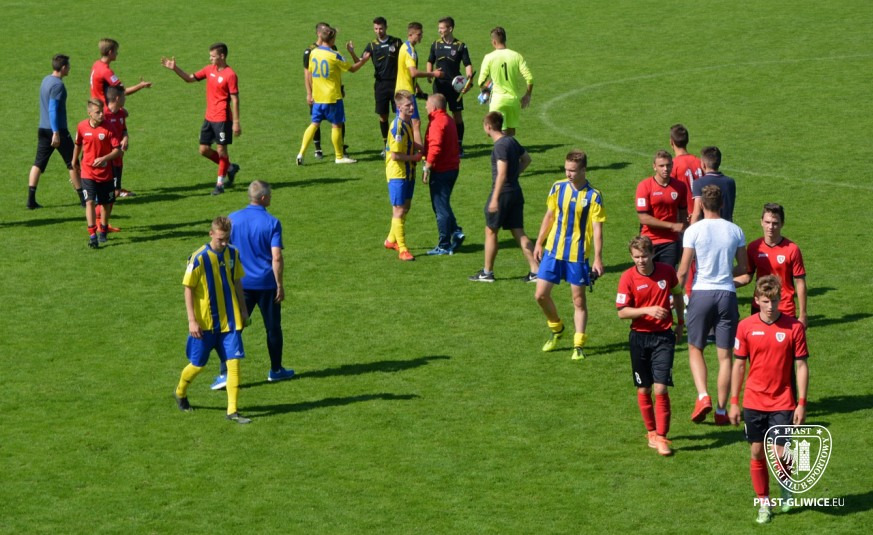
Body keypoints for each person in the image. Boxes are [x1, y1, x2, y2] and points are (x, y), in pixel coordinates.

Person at [729, 275, 809, 524]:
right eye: (765, 301)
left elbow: (801, 366)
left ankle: (786, 485)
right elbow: (738, 366)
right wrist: (734, 401)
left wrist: (802, 403)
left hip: (783, 400)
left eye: (774, 301)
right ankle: (764, 503)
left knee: (779, 452)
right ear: (756, 300)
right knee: (756, 451)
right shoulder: (745, 327)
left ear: (781, 300)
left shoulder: (794, 328)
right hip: (754, 401)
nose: (770, 306)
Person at [210, 180, 294, 390]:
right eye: (270, 195)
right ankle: (276, 370)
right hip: (266, 284)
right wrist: (279, 284)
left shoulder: (233, 219)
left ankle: (225, 373)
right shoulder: (272, 223)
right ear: (263, 198)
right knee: (273, 328)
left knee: (233, 328)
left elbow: (223, 248)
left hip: (240, 284)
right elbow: (276, 257)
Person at [677, 185, 747, 425]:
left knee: (695, 348)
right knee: (725, 356)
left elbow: (683, 270)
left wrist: (673, 295)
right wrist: (725, 273)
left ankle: (703, 395)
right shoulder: (735, 230)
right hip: (727, 294)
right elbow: (743, 268)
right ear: (722, 204)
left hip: (701, 294)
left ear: (701, 204)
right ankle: (721, 411)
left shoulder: (693, 231)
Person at [174, 216, 252, 424]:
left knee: (233, 364)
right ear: (211, 234)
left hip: (230, 322)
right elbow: (188, 289)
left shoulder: (233, 253)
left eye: (227, 239)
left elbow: (237, 282)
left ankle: (232, 411)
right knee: (197, 365)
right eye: (220, 239)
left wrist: (243, 310)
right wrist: (192, 320)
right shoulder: (198, 258)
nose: (224, 243)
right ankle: (180, 392)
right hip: (205, 324)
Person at [616, 236, 684, 456]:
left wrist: (680, 322)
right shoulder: (627, 278)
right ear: (631, 257)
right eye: (636, 257)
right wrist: (647, 310)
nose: (641, 261)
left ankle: (662, 437)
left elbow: (678, 294)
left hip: (663, 337)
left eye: (644, 256)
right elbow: (622, 312)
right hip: (639, 338)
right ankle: (651, 433)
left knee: (660, 388)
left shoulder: (667, 272)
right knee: (644, 388)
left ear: (652, 254)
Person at [534, 150, 605, 359]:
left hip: (577, 255)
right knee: (540, 295)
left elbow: (598, 229)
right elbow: (549, 216)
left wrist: (598, 258)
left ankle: (578, 345)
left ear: (583, 170)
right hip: (553, 251)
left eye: (573, 170)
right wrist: (539, 242)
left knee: (578, 301)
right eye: (566, 169)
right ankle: (557, 328)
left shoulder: (594, 196)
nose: (568, 174)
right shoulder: (558, 187)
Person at [161, 42, 242, 195]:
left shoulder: (230, 75)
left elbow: (235, 99)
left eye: (213, 56)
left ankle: (220, 184)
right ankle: (230, 168)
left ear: (222, 56)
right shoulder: (208, 69)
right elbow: (189, 78)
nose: (210, 58)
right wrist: (175, 68)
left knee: (222, 150)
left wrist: (236, 122)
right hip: (209, 117)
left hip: (223, 119)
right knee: (203, 150)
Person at [469, 112, 538, 282]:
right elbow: (527, 159)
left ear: (488, 127)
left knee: (491, 231)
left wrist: (495, 198)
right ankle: (536, 271)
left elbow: (501, 173)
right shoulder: (511, 141)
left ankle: (487, 272)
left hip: (502, 194)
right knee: (518, 231)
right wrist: (515, 175)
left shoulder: (499, 146)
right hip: (515, 191)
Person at [296, 26, 361, 165]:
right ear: (332, 39)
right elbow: (353, 69)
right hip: (332, 97)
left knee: (314, 124)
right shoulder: (334, 55)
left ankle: (301, 153)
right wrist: (365, 59)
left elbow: (310, 73)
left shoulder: (314, 53)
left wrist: (310, 93)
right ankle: (339, 156)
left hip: (318, 97)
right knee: (336, 125)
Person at [734, 204, 807, 326]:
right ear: (761, 222)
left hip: (784, 308)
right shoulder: (754, 247)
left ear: (782, 224)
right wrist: (724, 284)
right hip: (759, 307)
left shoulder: (792, 249)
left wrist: (803, 314)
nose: (770, 227)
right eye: (767, 222)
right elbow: (747, 276)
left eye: (775, 223)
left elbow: (800, 283)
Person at [27, 54, 84, 209]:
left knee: (38, 163)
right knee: (72, 162)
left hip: (42, 128)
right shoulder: (58, 85)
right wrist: (56, 132)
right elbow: (52, 109)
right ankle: (84, 199)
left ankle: (30, 200)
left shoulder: (46, 80)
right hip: (57, 130)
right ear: (63, 67)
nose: (70, 69)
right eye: (68, 66)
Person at [73, 99, 122, 249]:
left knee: (105, 204)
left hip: (106, 173)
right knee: (89, 202)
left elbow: (118, 150)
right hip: (87, 172)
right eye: (98, 112)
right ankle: (92, 235)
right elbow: (78, 144)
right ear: (89, 113)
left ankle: (104, 230)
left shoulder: (109, 127)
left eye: (102, 111)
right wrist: (74, 161)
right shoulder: (81, 126)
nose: (101, 114)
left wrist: (104, 158)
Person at [383, 90, 423, 261]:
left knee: (405, 207)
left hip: (408, 172)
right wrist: (414, 157)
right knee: (399, 210)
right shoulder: (397, 128)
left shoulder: (407, 123)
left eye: (412, 104)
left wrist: (421, 148)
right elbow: (395, 155)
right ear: (399, 107)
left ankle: (391, 240)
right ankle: (403, 249)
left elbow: (409, 143)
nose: (412, 107)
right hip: (397, 173)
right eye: (408, 105)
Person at [422, 93, 464, 255]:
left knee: (440, 207)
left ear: (434, 107)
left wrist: (427, 167)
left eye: (427, 104)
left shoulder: (437, 122)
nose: (425, 107)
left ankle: (444, 244)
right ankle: (456, 232)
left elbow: (435, 146)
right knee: (442, 204)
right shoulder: (448, 119)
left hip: (442, 170)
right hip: (452, 168)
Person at [356, 17, 403, 154]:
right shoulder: (372, 45)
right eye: (376, 29)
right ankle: (386, 145)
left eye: (381, 28)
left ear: (386, 27)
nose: (378, 31)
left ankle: (401, 142)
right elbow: (360, 62)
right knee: (383, 116)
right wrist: (352, 52)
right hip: (381, 85)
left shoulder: (396, 42)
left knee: (400, 115)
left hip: (396, 84)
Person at [427, 16, 473, 156]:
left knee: (457, 116)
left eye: (442, 28)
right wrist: (429, 74)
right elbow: (430, 61)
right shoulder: (435, 44)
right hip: (439, 86)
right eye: (439, 28)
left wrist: (469, 80)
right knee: (436, 116)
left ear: (450, 29)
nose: (439, 30)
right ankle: (438, 143)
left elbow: (467, 64)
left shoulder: (460, 46)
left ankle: (458, 145)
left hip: (455, 87)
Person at [635, 150, 688, 268]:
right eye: (661, 166)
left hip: (671, 241)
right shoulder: (644, 186)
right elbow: (643, 218)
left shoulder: (680, 187)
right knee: (648, 275)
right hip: (648, 240)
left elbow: (683, 213)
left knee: (667, 275)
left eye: (668, 165)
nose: (665, 169)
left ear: (672, 165)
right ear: (654, 167)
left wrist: (685, 232)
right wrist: (672, 225)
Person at [477, 27, 533, 136]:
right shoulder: (516, 56)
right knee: (511, 133)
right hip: (513, 101)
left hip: (497, 100)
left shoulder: (489, 57)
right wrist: (528, 95)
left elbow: (481, 81)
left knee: (498, 134)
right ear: (505, 40)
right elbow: (529, 78)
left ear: (494, 41)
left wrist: (485, 92)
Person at [394, 22, 440, 147]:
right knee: (415, 123)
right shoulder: (410, 51)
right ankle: (419, 152)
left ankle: (404, 148)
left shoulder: (405, 47)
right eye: (419, 34)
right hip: (406, 93)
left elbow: (406, 73)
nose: (421, 36)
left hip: (403, 90)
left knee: (405, 122)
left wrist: (417, 87)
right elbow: (413, 72)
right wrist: (433, 74)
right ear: (410, 34)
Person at [95, 86, 129, 234]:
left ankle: (103, 223)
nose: (125, 99)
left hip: (118, 160)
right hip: (108, 161)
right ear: (117, 98)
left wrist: (125, 138)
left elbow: (124, 130)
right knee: (111, 193)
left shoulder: (121, 113)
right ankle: (98, 220)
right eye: (124, 96)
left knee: (115, 192)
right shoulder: (103, 115)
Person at [90, 38, 151, 105]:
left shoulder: (96, 64)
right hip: (104, 107)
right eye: (115, 51)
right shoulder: (106, 71)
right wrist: (141, 85)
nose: (117, 53)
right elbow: (123, 91)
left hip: (95, 105)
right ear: (110, 52)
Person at [302, 22, 330, 160]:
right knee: (316, 121)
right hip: (316, 92)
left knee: (338, 120)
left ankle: (341, 147)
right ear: (318, 33)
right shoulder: (310, 50)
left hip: (330, 91)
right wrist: (309, 93)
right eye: (325, 31)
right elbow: (307, 73)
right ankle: (317, 148)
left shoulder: (331, 47)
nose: (328, 33)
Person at [690, 146, 735, 223]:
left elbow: (697, 214)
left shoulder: (698, 183)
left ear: (703, 164)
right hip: (726, 226)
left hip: (708, 228)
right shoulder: (730, 182)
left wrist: (692, 228)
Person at [669, 124, 703, 214]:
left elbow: (671, 194)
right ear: (687, 141)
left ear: (671, 142)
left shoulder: (672, 165)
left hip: (685, 214)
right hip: (703, 213)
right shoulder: (700, 162)